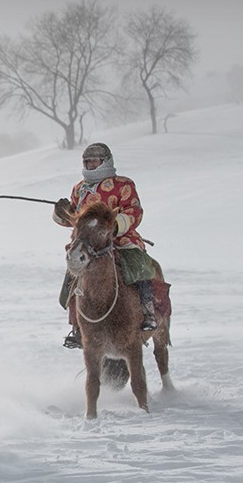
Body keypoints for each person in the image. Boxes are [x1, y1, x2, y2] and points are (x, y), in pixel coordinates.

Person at [52, 142, 158, 349]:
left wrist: (114, 227)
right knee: (73, 278)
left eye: (94, 161)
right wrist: (61, 212)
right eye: (86, 162)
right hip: (88, 245)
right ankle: (77, 326)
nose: (90, 165)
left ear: (106, 161)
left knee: (140, 267)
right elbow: (75, 219)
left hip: (121, 239)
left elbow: (134, 211)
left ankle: (148, 313)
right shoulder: (79, 189)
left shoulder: (123, 185)